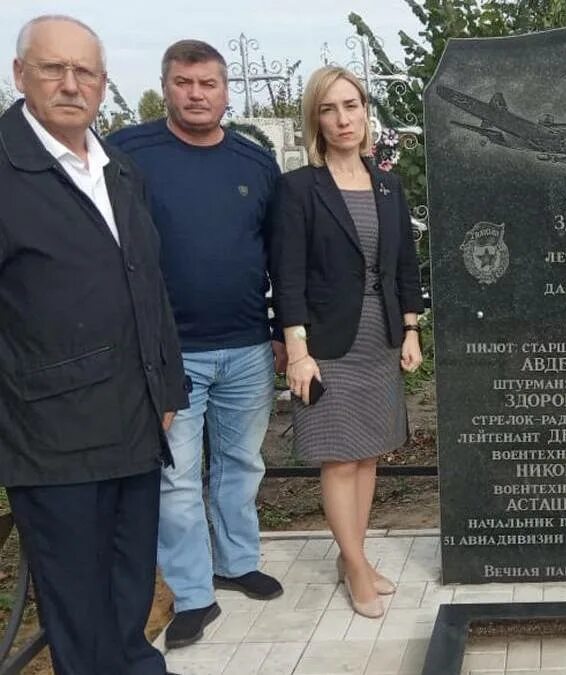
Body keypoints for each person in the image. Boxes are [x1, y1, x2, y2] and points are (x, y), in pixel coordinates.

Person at [0, 15, 188, 675]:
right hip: (52, 439)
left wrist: (167, 387)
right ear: (21, 75)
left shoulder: (119, 171)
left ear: (104, 84)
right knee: (79, 612)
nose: (71, 84)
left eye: (86, 72)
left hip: (132, 423)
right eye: (55, 69)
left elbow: (148, 283)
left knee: (130, 589)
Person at [107, 39, 286, 649]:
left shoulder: (254, 162)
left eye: (208, 83)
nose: (196, 94)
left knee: (240, 464)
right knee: (176, 479)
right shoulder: (128, 154)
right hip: (168, 351)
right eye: (183, 82)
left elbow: (277, 252)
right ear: (166, 86)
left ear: (226, 90)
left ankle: (236, 562)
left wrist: (286, 334)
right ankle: (191, 594)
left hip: (245, 345)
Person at [269, 66, 424, 619]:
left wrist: (410, 329)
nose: (343, 118)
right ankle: (356, 566)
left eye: (352, 105)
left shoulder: (388, 184)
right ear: (317, 117)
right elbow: (285, 275)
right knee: (338, 460)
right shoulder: (298, 188)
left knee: (369, 456)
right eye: (330, 108)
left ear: (365, 112)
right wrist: (298, 350)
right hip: (326, 346)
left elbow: (405, 265)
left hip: (379, 339)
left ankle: (350, 556)